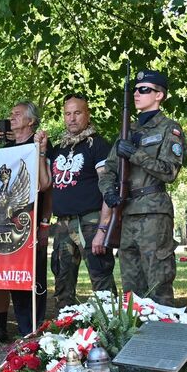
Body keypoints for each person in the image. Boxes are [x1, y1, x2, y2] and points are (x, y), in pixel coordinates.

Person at [98, 69, 185, 306]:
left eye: (144, 89)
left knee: (158, 284)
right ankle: (134, 340)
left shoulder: (169, 129)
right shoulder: (129, 130)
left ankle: (162, 339)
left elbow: (170, 172)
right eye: (135, 90)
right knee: (131, 290)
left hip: (154, 214)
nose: (137, 94)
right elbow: (109, 171)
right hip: (126, 213)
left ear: (159, 95)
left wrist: (135, 155)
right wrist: (108, 192)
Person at [45, 93, 117, 311]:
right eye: (68, 114)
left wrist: (103, 229)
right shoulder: (59, 148)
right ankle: (65, 332)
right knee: (62, 279)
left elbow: (108, 187)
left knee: (101, 278)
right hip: (63, 224)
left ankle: (111, 330)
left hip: (91, 220)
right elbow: (45, 183)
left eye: (77, 113)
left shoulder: (98, 145)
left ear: (87, 114)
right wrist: (41, 153)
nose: (72, 118)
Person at [0, 101, 52, 339]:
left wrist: (45, 223)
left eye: (17, 114)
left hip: (31, 221)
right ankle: (21, 327)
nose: (11, 118)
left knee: (34, 276)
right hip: (6, 224)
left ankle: (34, 327)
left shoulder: (39, 144)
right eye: (10, 114)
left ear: (31, 121)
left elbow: (48, 188)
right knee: (14, 275)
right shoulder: (7, 147)